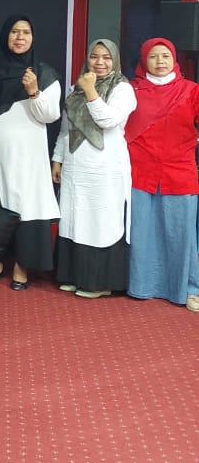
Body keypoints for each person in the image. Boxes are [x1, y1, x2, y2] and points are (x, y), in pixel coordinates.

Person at [0, 15, 60, 290]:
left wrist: (33, 92)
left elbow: (50, 115)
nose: (20, 38)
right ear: (5, 35)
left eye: (26, 32)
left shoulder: (42, 72)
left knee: (25, 205)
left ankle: (22, 265)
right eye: (14, 32)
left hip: (28, 156)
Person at [51, 39, 135, 299]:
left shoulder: (123, 89)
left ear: (115, 61)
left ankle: (100, 283)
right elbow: (66, 129)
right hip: (75, 165)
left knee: (100, 221)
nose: (99, 62)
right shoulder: (76, 87)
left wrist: (90, 90)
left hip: (105, 167)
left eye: (106, 57)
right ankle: (74, 276)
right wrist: (57, 159)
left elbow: (108, 120)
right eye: (94, 56)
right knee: (74, 218)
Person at [125, 38, 199, 311]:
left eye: (165, 56)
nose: (160, 61)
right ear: (144, 60)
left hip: (179, 171)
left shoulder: (191, 90)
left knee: (181, 234)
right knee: (141, 231)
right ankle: (142, 285)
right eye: (154, 56)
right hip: (139, 171)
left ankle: (189, 289)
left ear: (174, 59)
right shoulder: (131, 90)